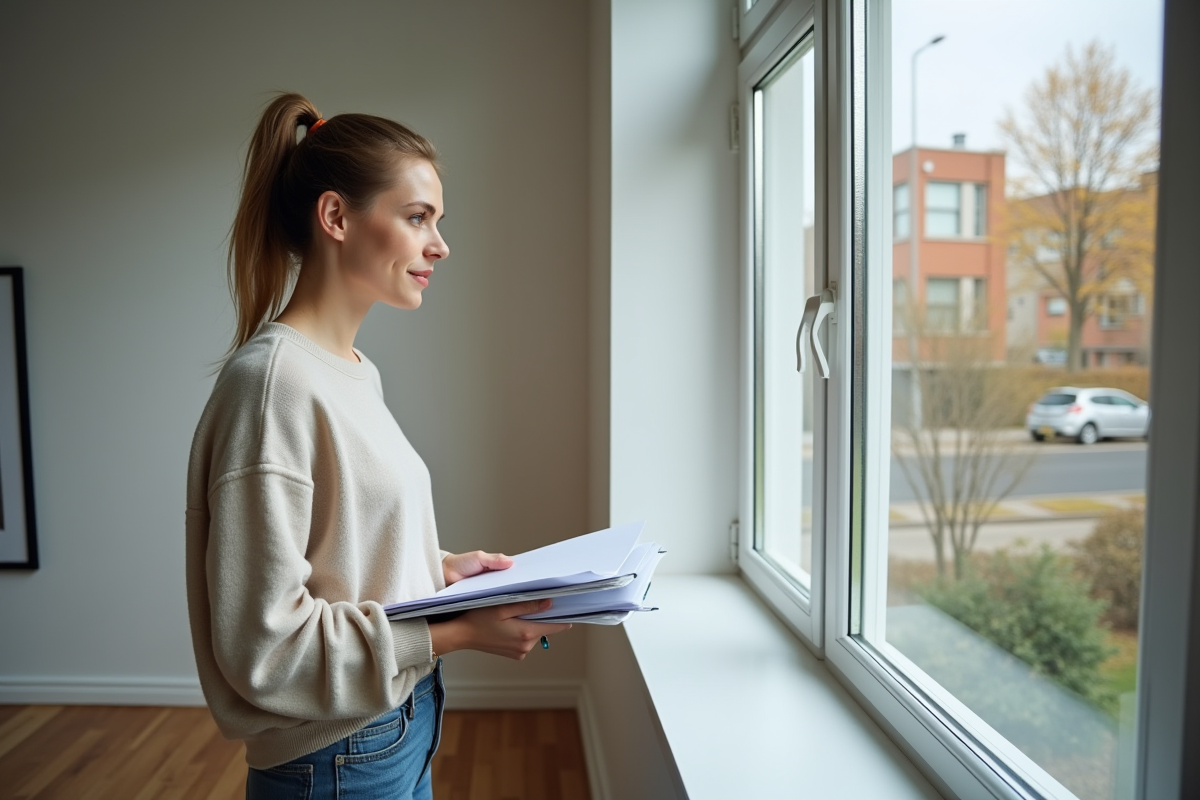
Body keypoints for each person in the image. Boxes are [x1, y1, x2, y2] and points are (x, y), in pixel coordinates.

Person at [184, 92, 571, 800]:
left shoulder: (355, 372)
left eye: (437, 221)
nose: (440, 245)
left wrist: (438, 569)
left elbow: (337, 554)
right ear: (336, 217)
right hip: (336, 756)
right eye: (417, 217)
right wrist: (456, 631)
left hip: (396, 721)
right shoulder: (272, 385)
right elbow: (264, 648)